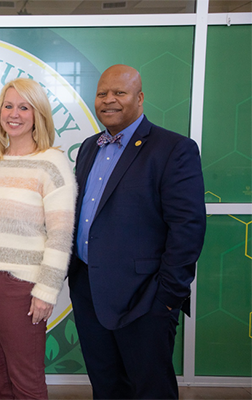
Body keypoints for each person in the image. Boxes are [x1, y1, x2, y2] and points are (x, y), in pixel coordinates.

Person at [68, 64, 206, 400]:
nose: (109, 100)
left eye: (120, 93)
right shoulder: (89, 147)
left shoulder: (173, 149)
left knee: (150, 390)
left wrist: (166, 299)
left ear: (140, 98)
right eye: (102, 93)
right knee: (107, 386)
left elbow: (187, 227)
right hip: (90, 292)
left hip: (144, 298)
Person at [0, 78, 77, 400]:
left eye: (24, 107)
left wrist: (46, 292)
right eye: (8, 106)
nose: (14, 114)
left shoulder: (52, 163)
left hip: (20, 289)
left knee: (26, 382)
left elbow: (61, 236)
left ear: (39, 114)